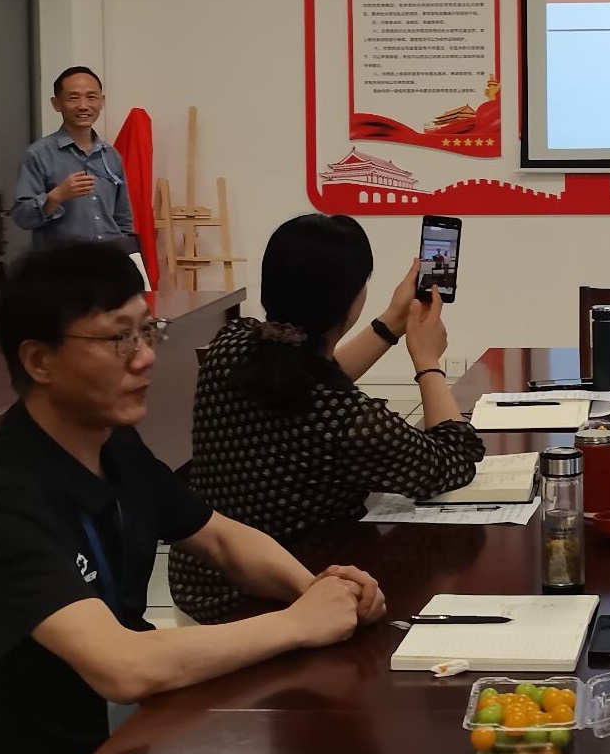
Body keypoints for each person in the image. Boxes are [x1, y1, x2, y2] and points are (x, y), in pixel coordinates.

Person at [0, 243, 385, 754]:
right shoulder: (0, 500)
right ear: (39, 360)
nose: (145, 358)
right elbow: (123, 666)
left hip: (140, 744)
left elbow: (220, 538)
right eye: (119, 338)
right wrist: (298, 623)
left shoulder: (110, 444)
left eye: (148, 331)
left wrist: (320, 589)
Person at [170, 215, 483, 623]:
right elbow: (454, 461)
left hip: (198, 586)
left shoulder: (232, 345)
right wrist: (427, 361)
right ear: (352, 300)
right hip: (286, 598)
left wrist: (391, 324)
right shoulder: (348, 422)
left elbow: (309, 379)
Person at [11, 67, 136, 253]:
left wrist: (128, 255)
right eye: (73, 98)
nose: (83, 105)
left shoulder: (110, 155)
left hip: (108, 261)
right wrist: (56, 196)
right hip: (62, 264)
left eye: (91, 97)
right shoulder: (38, 154)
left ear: (102, 101)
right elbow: (22, 217)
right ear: (56, 104)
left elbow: (123, 218)